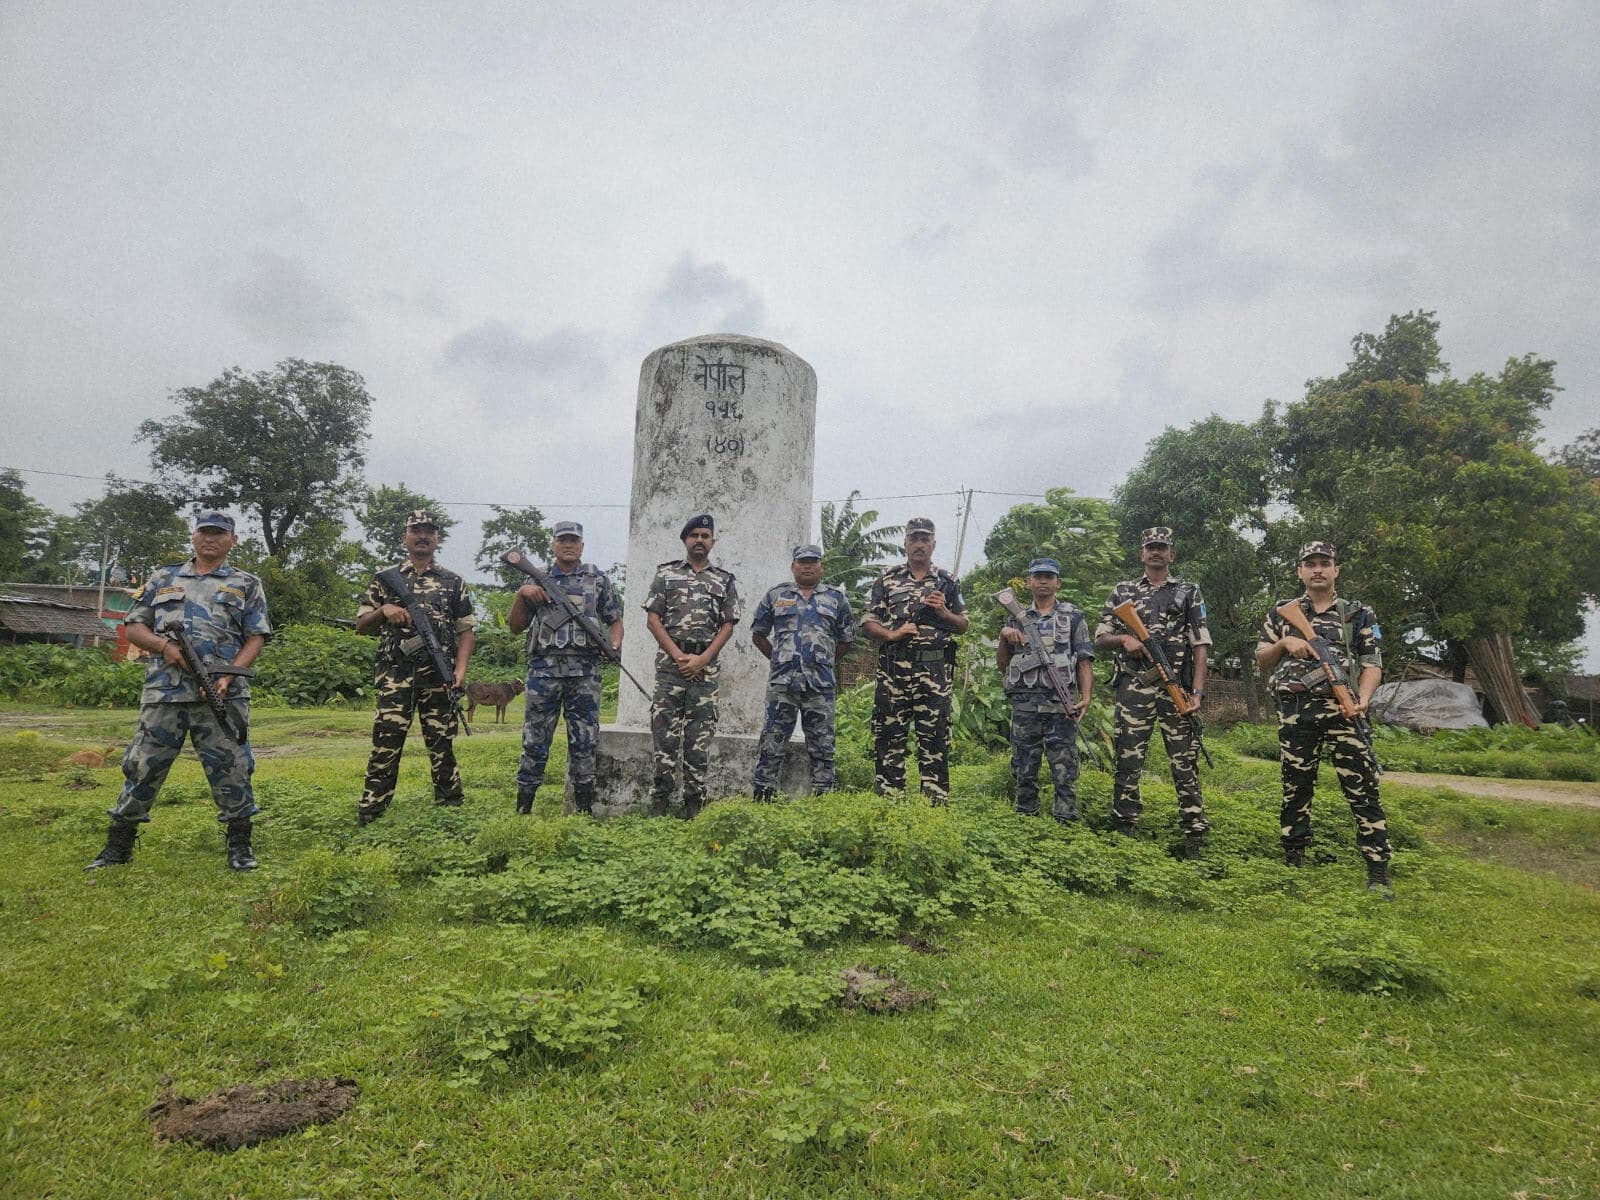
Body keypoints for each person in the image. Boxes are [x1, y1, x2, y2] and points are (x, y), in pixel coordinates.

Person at [86, 511, 270, 872]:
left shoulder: (246, 583)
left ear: (233, 540)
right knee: (142, 766)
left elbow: (256, 637)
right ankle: (117, 847)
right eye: (205, 532)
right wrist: (166, 648)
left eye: (219, 534)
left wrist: (229, 677)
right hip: (165, 693)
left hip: (222, 695)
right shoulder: (163, 577)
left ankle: (241, 847)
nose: (210, 539)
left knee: (233, 768)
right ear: (194, 536)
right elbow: (135, 627)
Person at [1256, 541, 1392, 894]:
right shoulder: (1282, 613)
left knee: (1362, 787)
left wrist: (1361, 699)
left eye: (1324, 563)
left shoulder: (1358, 613)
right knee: (1295, 787)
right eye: (1310, 563)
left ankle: (1378, 868)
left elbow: (1372, 664)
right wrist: (1285, 644)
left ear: (1336, 569)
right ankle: (1293, 859)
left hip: (1345, 711)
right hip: (1297, 712)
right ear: (1300, 571)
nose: (1318, 569)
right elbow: (1262, 659)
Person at [1094, 526, 1212, 853]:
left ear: (1171, 554)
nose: (1156, 552)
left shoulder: (1190, 591)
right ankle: (1124, 826)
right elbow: (1100, 637)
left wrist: (1198, 693)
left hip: (1177, 686)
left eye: (1162, 547)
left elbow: (1200, 644)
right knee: (1128, 756)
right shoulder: (1123, 591)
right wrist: (1125, 639)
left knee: (1184, 760)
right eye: (1151, 547)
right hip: (1134, 685)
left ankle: (1194, 833)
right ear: (1141, 554)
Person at [354, 509, 476, 825]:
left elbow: (466, 631)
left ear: (437, 539)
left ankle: (450, 809)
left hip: (439, 678)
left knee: (442, 745)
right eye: (416, 530)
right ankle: (372, 812)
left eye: (429, 531)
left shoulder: (453, 582)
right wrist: (385, 611)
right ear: (404, 537)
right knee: (386, 742)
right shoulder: (384, 578)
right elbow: (362, 625)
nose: (423, 535)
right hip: (395, 676)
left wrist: (459, 673)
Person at [507, 520, 622, 816]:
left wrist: (615, 645)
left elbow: (614, 619)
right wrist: (522, 595)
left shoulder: (597, 579)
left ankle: (583, 809)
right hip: (543, 674)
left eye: (574, 540)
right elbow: (515, 627)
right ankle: (523, 808)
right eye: (562, 540)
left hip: (585, 675)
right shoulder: (537, 579)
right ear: (553, 544)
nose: (568, 545)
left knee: (584, 741)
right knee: (535, 740)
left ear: (582, 546)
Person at [861, 517, 968, 805]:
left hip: (934, 671)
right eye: (914, 539)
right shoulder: (887, 578)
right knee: (889, 736)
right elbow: (868, 621)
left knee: (934, 738)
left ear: (933, 544)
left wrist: (944, 613)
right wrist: (893, 634)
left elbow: (963, 624)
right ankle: (890, 800)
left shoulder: (947, 581)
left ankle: (933, 804)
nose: (919, 544)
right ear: (905, 544)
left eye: (925, 539)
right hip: (894, 671)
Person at [644, 514, 739, 817]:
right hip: (670, 668)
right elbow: (653, 619)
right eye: (694, 535)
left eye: (705, 536)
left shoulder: (724, 580)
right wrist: (678, 656)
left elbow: (728, 625)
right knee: (664, 735)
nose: (699, 540)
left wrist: (702, 659)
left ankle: (693, 803)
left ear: (713, 541)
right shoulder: (665, 574)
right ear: (685, 540)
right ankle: (660, 801)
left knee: (699, 738)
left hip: (705, 670)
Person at [750, 544, 856, 800]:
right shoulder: (776, 595)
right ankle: (763, 798)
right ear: (793, 566)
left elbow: (846, 639)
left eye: (813, 562)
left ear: (821, 567)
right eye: (802, 562)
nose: (807, 566)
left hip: (820, 687)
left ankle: (823, 800)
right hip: (782, 685)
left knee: (822, 745)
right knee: (772, 742)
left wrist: (824, 663)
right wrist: (780, 660)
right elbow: (758, 635)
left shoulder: (836, 599)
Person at [997, 558, 1095, 822]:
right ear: (1029, 581)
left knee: (1065, 768)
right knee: (1023, 767)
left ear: (1057, 582)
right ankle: (1025, 818)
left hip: (1060, 706)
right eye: (1037, 576)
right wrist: (1004, 635)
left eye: (1048, 576)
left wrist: (1085, 697)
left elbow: (1084, 660)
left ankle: (1065, 821)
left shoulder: (1073, 616)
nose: (1043, 581)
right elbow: (1003, 664)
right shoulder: (1015, 617)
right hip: (1025, 705)